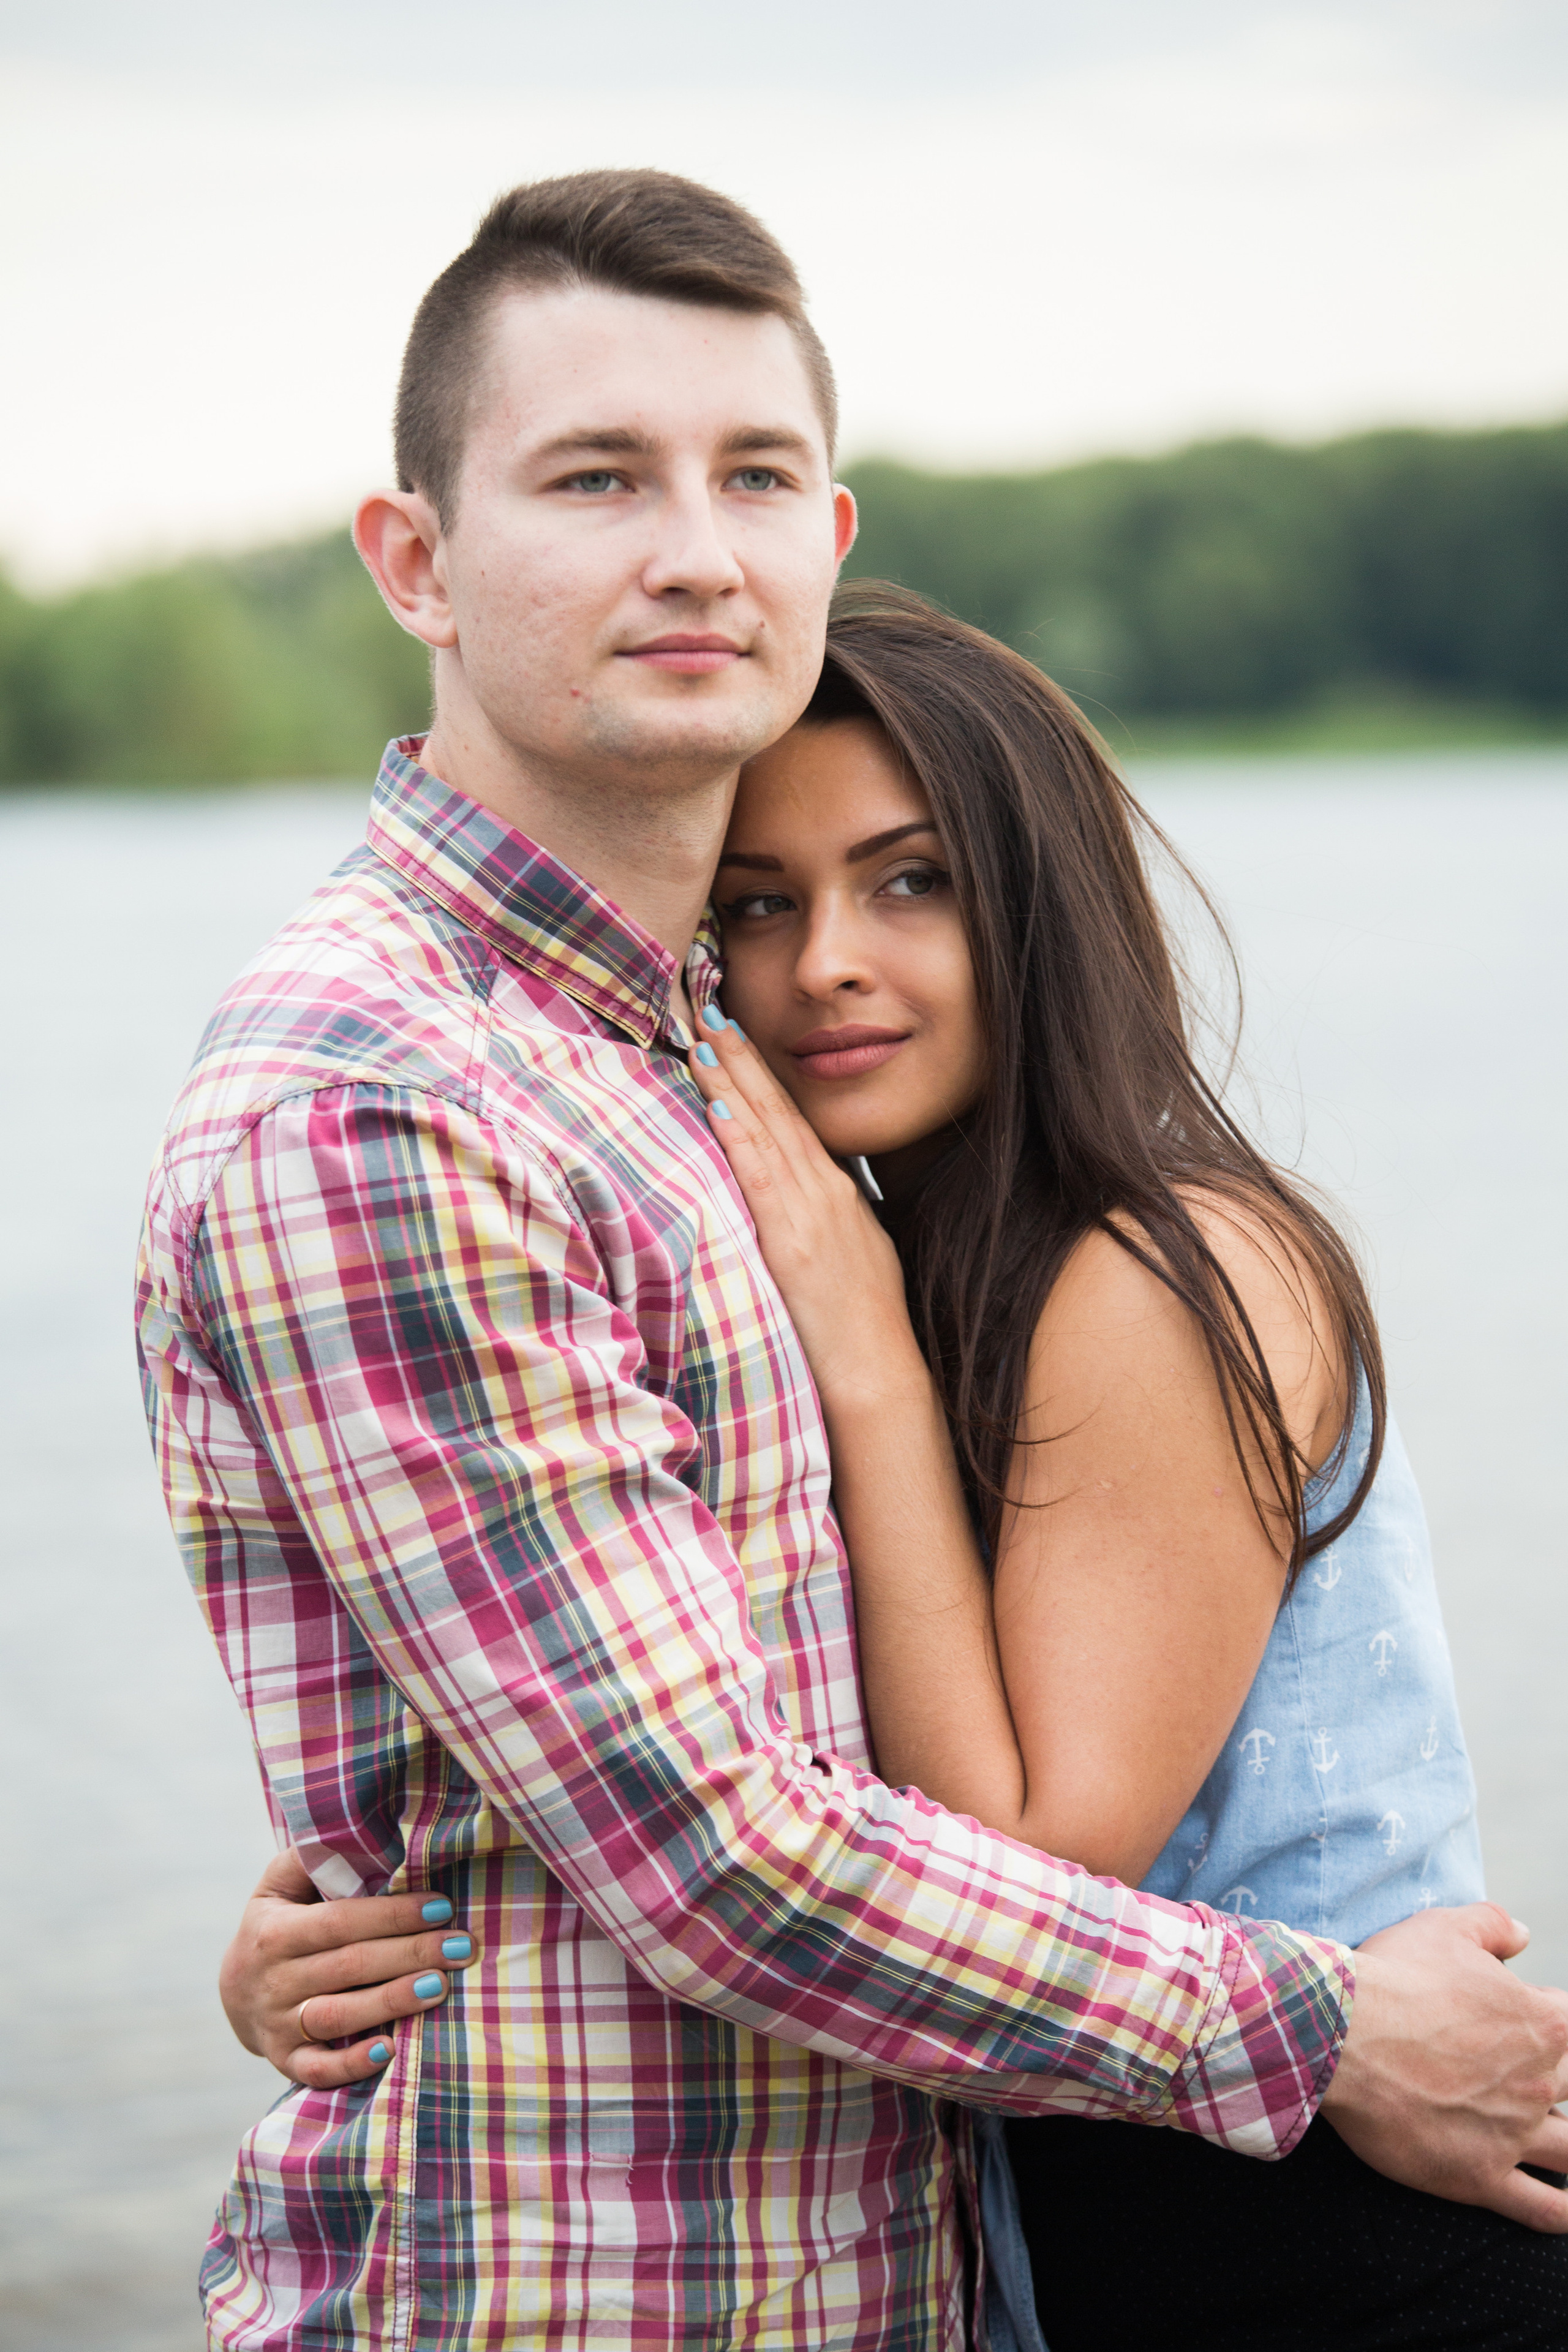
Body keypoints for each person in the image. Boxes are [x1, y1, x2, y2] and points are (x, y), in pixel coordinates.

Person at [140, 172, 1568, 2352]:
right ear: (416, 559)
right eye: (598, 476)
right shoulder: (394, 1097)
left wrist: (429, 1855)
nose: (695, 546)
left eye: (755, 476)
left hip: (1097, 2258)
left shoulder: (685, 1076)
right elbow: (718, 1846)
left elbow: (755, 1749)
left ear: (831, 535)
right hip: (587, 2298)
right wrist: (1322, 2028)